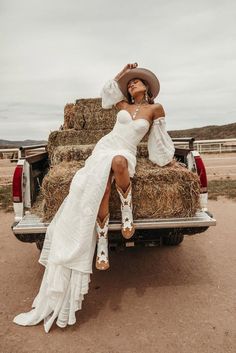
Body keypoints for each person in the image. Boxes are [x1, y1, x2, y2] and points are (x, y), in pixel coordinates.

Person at [12, 63, 175, 333]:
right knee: (100, 185)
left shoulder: (155, 109)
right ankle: (101, 244)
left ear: (148, 88)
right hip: (105, 147)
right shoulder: (121, 105)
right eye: (131, 82)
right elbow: (106, 92)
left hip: (125, 151)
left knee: (121, 162)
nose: (133, 84)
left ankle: (126, 213)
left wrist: (165, 160)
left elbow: (159, 138)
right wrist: (122, 73)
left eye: (138, 82)